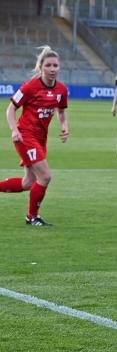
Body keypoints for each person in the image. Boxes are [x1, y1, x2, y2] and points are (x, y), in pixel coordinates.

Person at [0, 46, 69, 226]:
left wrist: (64, 126)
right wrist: (14, 130)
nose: (53, 69)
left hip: (40, 138)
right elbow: (10, 109)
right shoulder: (30, 87)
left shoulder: (61, 90)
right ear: (40, 67)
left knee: (28, 183)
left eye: (55, 65)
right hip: (25, 136)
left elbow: (61, 111)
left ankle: (32, 216)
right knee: (45, 176)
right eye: (48, 65)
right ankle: (32, 217)